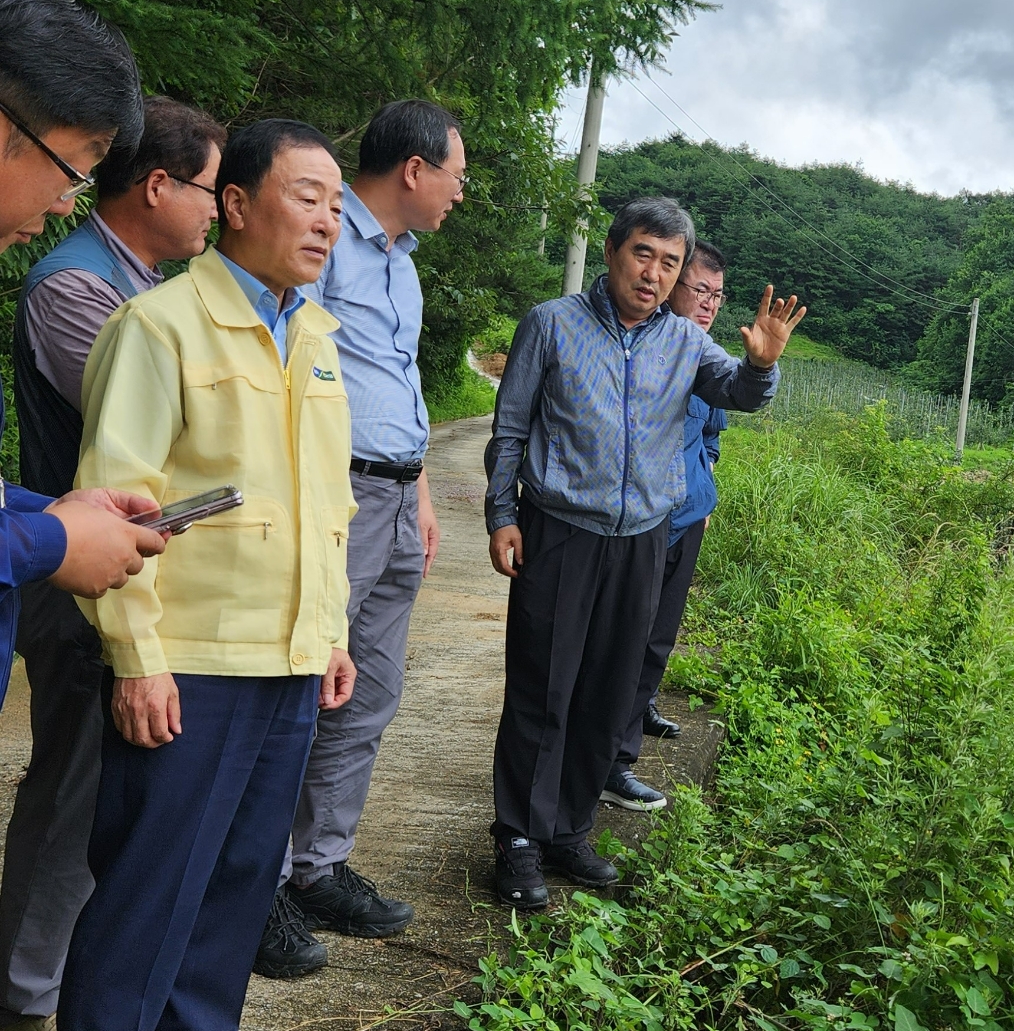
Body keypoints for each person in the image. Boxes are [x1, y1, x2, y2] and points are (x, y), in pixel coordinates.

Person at [36, 119, 358, 1031]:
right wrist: (137, 655)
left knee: (230, 893)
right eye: (306, 196)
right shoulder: (159, 325)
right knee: (143, 900)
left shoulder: (315, 336)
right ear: (238, 205)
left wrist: (329, 631)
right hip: (191, 665)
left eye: (334, 204)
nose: (326, 219)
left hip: (284, 661)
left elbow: (327, 503)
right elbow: (113, 500)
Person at [485, 197, 804, 909]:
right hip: (559, 531)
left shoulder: (686, 344)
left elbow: (737, 391)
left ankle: (569, 829)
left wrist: (761, 367)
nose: (654, 274)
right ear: (612, 252)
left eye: (669, 262)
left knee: (607, 689)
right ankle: (518, 839)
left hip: (640, 541)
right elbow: (509, 429)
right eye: (643, 255)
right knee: (544, 687)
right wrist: (501, 514)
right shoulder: (552, 325)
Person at [0, 98, 226, 1031]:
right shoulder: (73, 289)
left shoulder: (147, 287)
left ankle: (48, 980)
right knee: (72, 786)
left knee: (106, 792)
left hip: (97, 556)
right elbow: (158, 430)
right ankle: (19, 997)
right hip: (62, 570)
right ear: (161, 186)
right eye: (216, 188)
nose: (221, 211)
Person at [254, 100, 463, 980]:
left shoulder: (404, 269)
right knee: (298, 684)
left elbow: (393, 375)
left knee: (369, 690)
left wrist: (416, 486)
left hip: (395, 495)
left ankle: (317, 867)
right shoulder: (321, 247)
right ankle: (255, 884)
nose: (461, 192)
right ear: (415, 169)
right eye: (457, 174)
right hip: (335, 494)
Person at [0, 0, 170, 663]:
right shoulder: (71, 283)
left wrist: (47, 513)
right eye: (72, 170)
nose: (68, 202)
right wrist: (55, 542)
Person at [601, 238, 729, 813]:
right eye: (698, 289)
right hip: (637, 525)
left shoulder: (711, 361)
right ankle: (604, 757)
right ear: (672, 288)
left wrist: (700, 505)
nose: (708, 304)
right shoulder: (639, 355)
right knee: (618, 645)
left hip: (687, 522)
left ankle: (622, 752)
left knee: (655, 642)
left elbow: (711, 438)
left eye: (717, 296)